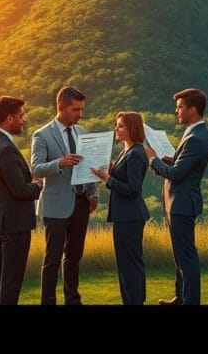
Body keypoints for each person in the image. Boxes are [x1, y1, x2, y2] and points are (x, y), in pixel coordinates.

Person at [31, 86, 99, 305]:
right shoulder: (41, 135)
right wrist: (60, 163)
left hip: (81, 203)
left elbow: (88, 165)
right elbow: (36, 169)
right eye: (76, 110)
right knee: (52, 260)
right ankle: (48, 301)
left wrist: (93, 192)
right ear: (61, 107)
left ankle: (73, 299)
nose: (80, 115)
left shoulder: (82, 132)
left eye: (81, 110)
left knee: (74, 257)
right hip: (55, 205)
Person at [146, 88, 208, 306]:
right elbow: (180, 167)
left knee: (186, 258)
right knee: (180, 256)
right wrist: (168, 160)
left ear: (192, 110)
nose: (176, 111)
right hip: (177, 202)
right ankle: (181, 297)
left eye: (180, 107)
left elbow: (177, 174)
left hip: (182, 203)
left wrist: (154, 160)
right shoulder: (193, 133)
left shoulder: (196, 138)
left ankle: (190, 301)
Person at [0, 95, 44, 305]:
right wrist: (38, 184)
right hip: (15, 224)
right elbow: (20, 191)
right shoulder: (5, 148)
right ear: (9, 118)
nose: (23, 120)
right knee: (11, 280)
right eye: (21, 115)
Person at [91, 111, 149, 305]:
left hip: (129, 217)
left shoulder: (135, 153)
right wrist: (112, 167)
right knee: (129, 264)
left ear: (132, 128)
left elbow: (133, 189)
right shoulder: (128, 150)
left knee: (129, 265)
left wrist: (107, 178)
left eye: (121, 125)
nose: (116, 129)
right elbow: (124, 176)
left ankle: (134, 301)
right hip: (126, 216)